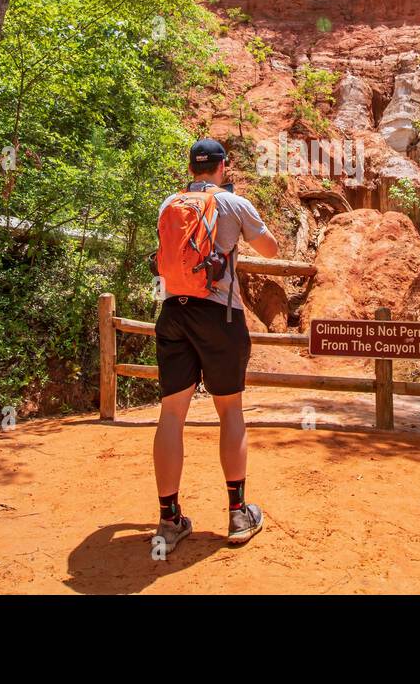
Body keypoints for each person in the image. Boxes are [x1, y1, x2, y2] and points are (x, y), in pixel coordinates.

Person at [152, 138, 279, 554]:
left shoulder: (170, 202)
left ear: (191, 167)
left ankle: (170, 520)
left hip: (173, 311)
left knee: (172, 413)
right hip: (220, 316)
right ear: (223, 166)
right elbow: (271, 248)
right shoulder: (233, 203)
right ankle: (238, 512)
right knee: (230, 410)